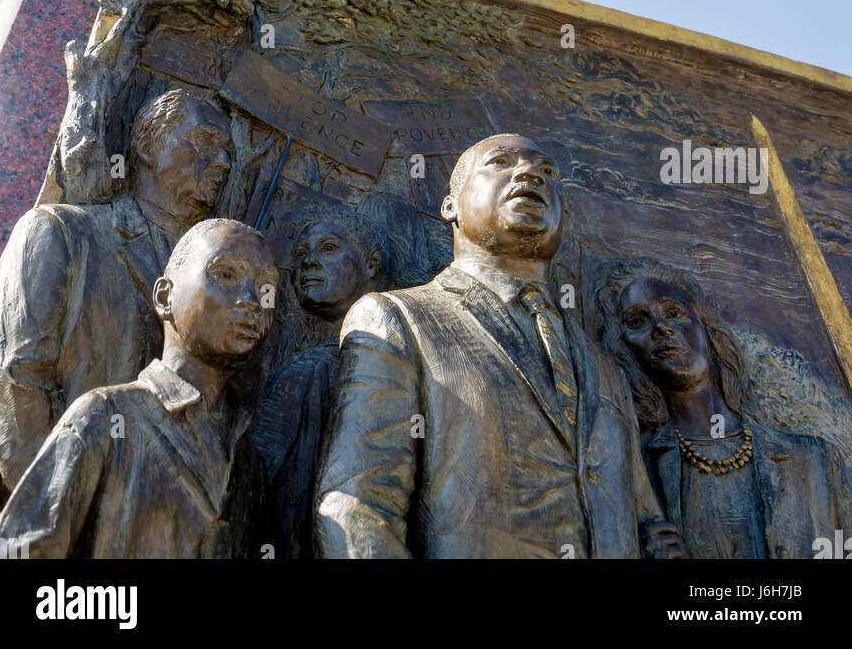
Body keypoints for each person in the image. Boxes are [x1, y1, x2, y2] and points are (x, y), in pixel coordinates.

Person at [315, 133, 685, 558]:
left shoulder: (606, 368)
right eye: (500, 163)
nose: (530, 174)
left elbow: (641, 516)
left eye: (548, 172)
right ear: (450, 205)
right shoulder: (398, 319)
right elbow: (359, 508)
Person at [0, 87, 231, 513]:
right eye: (206, 142)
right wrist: (75, 509)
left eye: (228, 152)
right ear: (149, 145)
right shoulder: (60, 232)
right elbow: (13, 387)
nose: (224, 162)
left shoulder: (223, 287)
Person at [0, 218, 278, 559]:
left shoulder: (248, 462)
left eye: (266, 289)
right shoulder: (105, 417)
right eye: (226, 274)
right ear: (165, 296)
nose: (251, 300)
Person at [596, 259, 852, 559]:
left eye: (674, 313)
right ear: (622, 347)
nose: (661, 328)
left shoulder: (815, 462)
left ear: (705, 328)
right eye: (637, 321)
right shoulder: (628, 471)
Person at [253, 212, 383, 558]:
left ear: (372, 263)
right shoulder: (302, 373)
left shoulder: (398, 362)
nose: (309, 261)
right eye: (299, 255)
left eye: (328, 248)